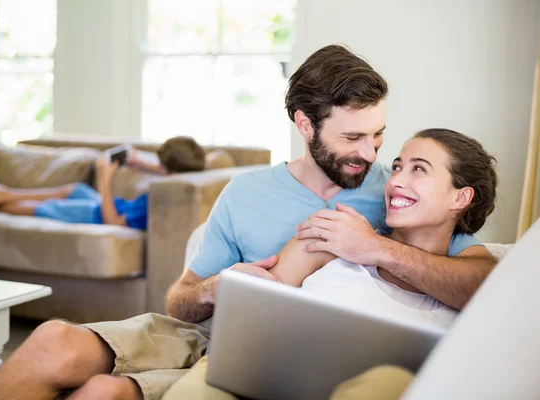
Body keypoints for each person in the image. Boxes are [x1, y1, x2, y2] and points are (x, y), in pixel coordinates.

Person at [0, 45, 497, 400]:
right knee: (52, 340)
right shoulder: (245, 193)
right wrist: (221, 285)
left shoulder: (404, 197)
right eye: (352, 138)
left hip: (269, 357)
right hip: (203, 331)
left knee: (106, 393)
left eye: (378, 135)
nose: (372, 154)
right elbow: (180, 300)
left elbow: (476, 281)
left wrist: (374, 248)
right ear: (305, 124)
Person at [160, 130, 498, 399]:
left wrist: (375, 248)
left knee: (386, 383)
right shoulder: (334, 233)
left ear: (461, 197)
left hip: (369, 387)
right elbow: (257, 315)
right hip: (273, 372)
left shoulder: (469, 282)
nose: (394, 180)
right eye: (396, 167)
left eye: (418, 169)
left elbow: (486, 285)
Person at [0, 136, 205, 230]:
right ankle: (3, 193)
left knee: (43, 209)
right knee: (73, 189)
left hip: (99, 214)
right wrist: (140, 163)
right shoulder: (184, 184)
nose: (158, 169)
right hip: (113, 205)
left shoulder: (154, 204)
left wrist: (105, 181)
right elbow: (171, 174)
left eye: (162, 167)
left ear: (172, 173)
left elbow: (113, 222)